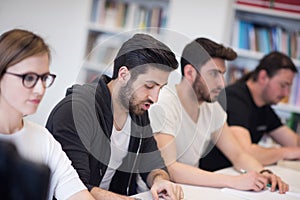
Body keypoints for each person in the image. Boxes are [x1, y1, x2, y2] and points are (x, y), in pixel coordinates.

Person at [46, 33, 183, 200]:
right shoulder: (75, 111)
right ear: (124, 75)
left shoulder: (138, 110)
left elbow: (153, 162)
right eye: (149, 86)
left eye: (160, 88)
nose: (155, 98)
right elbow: (74, 187)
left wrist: (159, 180)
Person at [149, 37, 289, 193]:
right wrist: (235, 181)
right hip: (158, 193)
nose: (221, 84)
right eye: (213, 74)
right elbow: (170, 168)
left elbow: (238, 154)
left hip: (190, 190)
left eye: (222, 74)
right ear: (189, 72)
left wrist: (264, 173)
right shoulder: (165, 103)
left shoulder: (212, 108)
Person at [0, 29, 95, 200]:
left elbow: (77, 194)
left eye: (44, 78)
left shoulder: (43, 139)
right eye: (29, 78)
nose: (40, 89)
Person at [200, 51, 300, 171]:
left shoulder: (264, 107)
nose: (286, 93)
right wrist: (287, 153)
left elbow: (294, 142)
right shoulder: (234, 99)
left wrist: (293, 151)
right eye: (283, 85)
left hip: (235, 174)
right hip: (213, 175)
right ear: (263, 77)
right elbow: (246, 153)